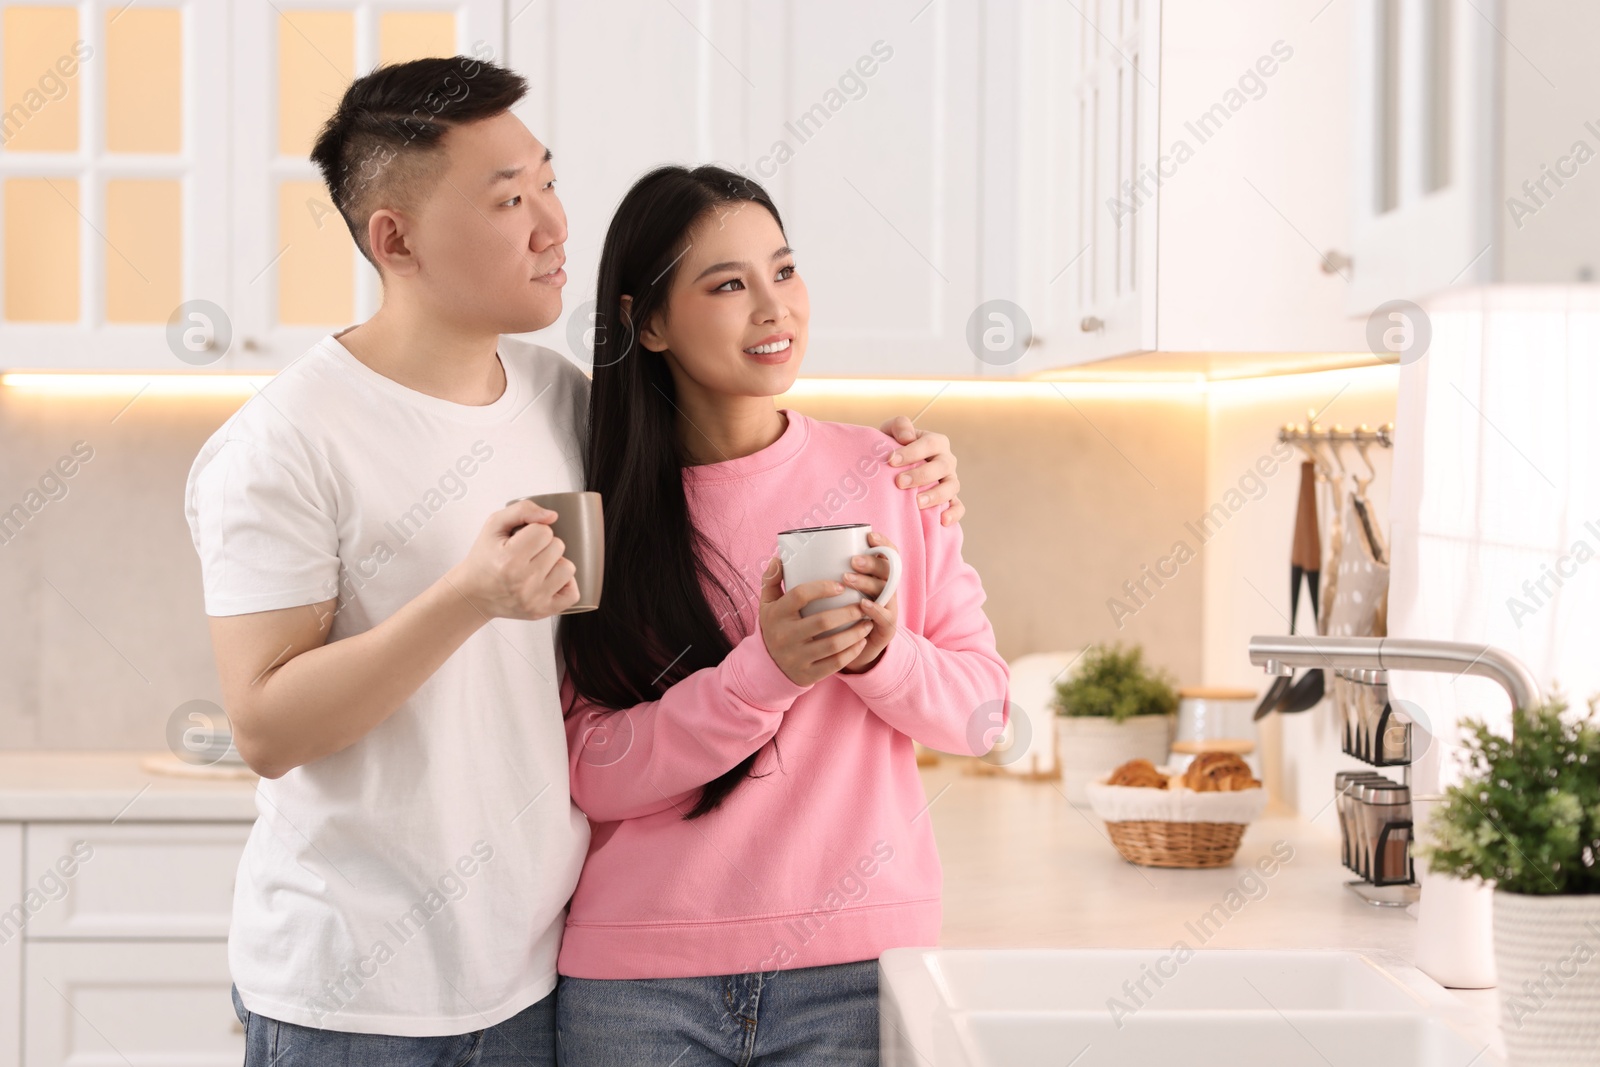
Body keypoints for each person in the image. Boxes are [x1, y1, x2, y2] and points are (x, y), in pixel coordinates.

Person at [183, 57, 966, 1065]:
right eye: (509, 199)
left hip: (530, 971)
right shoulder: (283, 441)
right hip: (352, 992)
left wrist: (913, 470)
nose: (554, 225)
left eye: (547, 181)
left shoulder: (568, 405)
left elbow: (739, 449)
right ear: (396, 237)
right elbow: (265, 724)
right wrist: (467, 596)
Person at [554, 164, 1009, 1065]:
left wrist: (884, 659)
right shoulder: (600, 509)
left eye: (785, 271)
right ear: (647, 322)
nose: (775, 307)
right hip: (639, 983)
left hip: (858, 967)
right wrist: (768, 672)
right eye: (728, 284)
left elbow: (983, 712)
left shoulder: (893, 472)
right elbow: (593, 769)